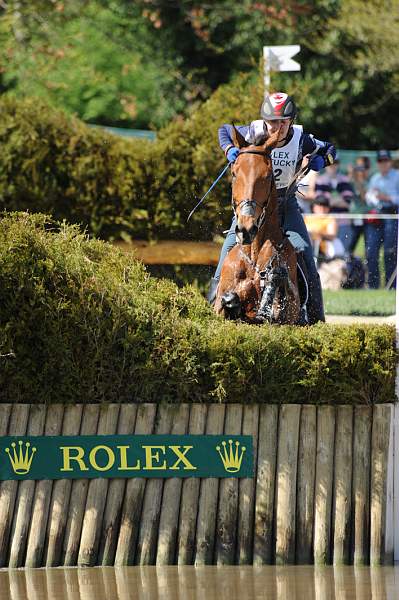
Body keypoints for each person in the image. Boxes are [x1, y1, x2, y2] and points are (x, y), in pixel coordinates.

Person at [207, 92, 336, 324]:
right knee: (227, 250)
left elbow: (330, 149)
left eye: (283, 122)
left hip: (285, 204)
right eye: (272, 122)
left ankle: (315, 319)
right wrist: (229, 150)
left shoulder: (301, 139)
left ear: (291, 121)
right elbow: (225, 130)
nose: (277, 127)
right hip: (253, 206)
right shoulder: (253, 131)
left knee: (306, 255)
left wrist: (323, 161)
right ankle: (209, 307)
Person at [364, 149, 399, 288]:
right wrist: (372, 198)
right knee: (371, 251)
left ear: (390, 162)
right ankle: (373, 286)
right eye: (380, 161)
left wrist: (387, 198)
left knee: (390, 252)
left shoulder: (397, 176)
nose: (383, 163)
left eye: (385, 160)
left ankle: (392, 286)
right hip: (377, 215)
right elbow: (369, 198)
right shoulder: (375, 178)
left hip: (392, 214)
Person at [312, 155, 355, 252]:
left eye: (335, 163)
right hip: (325, 223)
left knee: (343, 252)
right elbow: (320, 201)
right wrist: (339, 199)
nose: (332, 165)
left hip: (343, 222)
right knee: (325, 253)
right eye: (330, 162)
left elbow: (348, 202)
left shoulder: (345, 180)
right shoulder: (320, 180)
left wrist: (329, 200)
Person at [304, 193, 345, 259]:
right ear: (314, 207)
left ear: (328, 208)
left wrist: (317, 234)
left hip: (321, 247)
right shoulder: (307, 218)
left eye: (324, 206)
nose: (322, 208)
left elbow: (331, 236)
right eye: (319, 205)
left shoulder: (329, 219)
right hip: (306, 243)